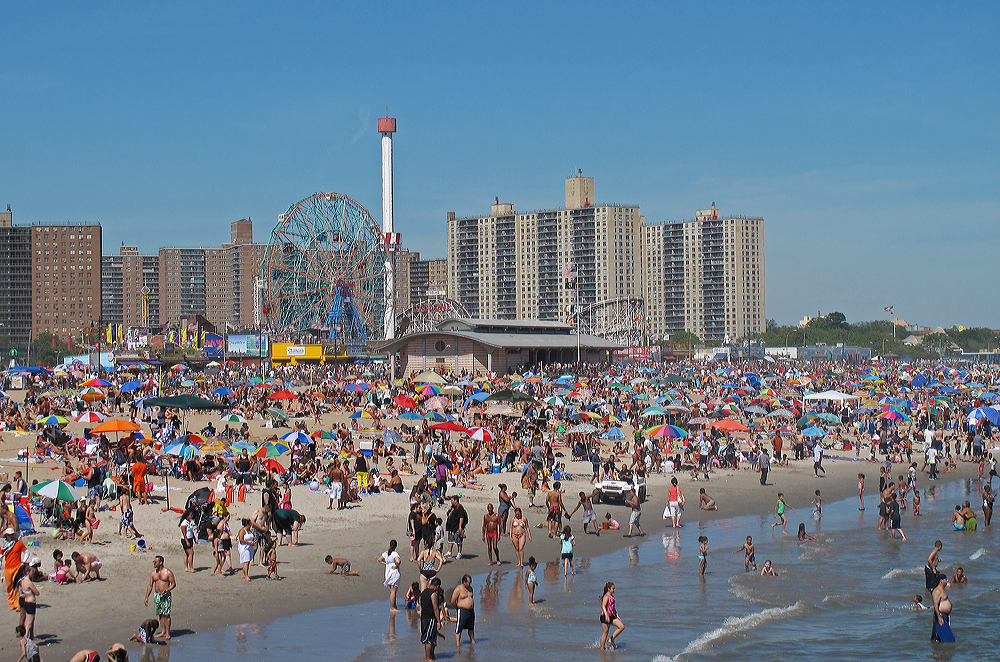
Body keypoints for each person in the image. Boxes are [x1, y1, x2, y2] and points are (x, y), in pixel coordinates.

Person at [144, 555, 176, 640]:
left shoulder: (168, 572)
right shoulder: (153, 573)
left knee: (166, 614)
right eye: (153, 562)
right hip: (157, 595)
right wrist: (147, 596)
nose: (154, 563)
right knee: (160, 614)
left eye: (155, 562)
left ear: (160, 562)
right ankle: (163, 631)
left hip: (165, 595)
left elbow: (173, 584)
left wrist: (167, 589)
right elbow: (150, 586)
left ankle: (168, 633)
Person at [2, 527, 27, 610]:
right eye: (8, 535)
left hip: (17, 567)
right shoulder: (4, 546)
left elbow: (26, 552)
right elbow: (1, 556)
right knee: (9, 586)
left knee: (16, 586)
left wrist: (23, 562)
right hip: (7, 568)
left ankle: (17, 604)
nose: (10, 536)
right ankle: (11, 603)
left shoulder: (19, 543)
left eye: (11, 535)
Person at [420, 577, 442, 662]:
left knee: (427, 637)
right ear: (437, 586)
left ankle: (431, 656)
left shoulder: (423, 592)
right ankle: (428, 658)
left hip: (424, 617)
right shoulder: (433, 594)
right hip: (430, 618)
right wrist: (439, 621)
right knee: (428, 639)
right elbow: (435, 608)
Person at [451, 574, 475, 649]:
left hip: (471, 611)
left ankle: (473, 641)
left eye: (470, 582)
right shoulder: (459, 589)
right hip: (462, 610)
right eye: (468, 582)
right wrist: (457, 608)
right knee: (459, 627)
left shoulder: (470, 588)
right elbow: (453, 601)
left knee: (471, 627)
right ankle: (458, 644)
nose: (470, 584)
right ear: (464, 582)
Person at [599, 582, 625, 650]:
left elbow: (613, 607)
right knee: (605, 633)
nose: (614, 590)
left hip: (612, 616)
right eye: (613, 589)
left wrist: (617, 615)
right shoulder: (606, 596)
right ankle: (602, 648)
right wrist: (606, 615)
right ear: (609, 589)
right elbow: (603, 606)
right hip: (605, 616)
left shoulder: (612, 597)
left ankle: (611, 639)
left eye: (614, 588)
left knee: (621, 626)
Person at [16, 564, 38, 638]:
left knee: (27, 620)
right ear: (27, 572)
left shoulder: (22, 581)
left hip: (24, 600)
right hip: (28, 601)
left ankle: (28, 636)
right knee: (27, 622)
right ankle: (24, 637)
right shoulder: (27, 582)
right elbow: (37, 592)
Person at [380, 539, 402, 613]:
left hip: (388, 572)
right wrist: (396, 566)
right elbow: (398, 561)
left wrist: (386, 564)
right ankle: (392, 607)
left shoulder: (386, 553)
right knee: (393, 591)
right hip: (394, 572)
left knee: (392, 590)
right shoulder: (394, 553)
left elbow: (380, 559)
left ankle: (394, 605)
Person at [931, 577, 953, 642]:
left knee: (943, 634)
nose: (947, 581)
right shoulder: (938, 591)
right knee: (938, 635)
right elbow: (936, 605)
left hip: (944, 615)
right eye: (946, 580)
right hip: (941, 614)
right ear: (941, 581)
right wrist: (939, 616)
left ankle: (942, 648)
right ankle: (937, 649)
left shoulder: (942, 590)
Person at [179, 508, 197, 573]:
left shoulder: (189, 522)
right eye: (190, 515)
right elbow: (184, 533)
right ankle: (191, 567)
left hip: (190, 538)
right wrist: (186, 541)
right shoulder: (184, 523)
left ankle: (186, 567)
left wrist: (194, 539)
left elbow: (191, 531)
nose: (191, 516)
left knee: (187, 553)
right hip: (185, 539)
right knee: (191, 553)